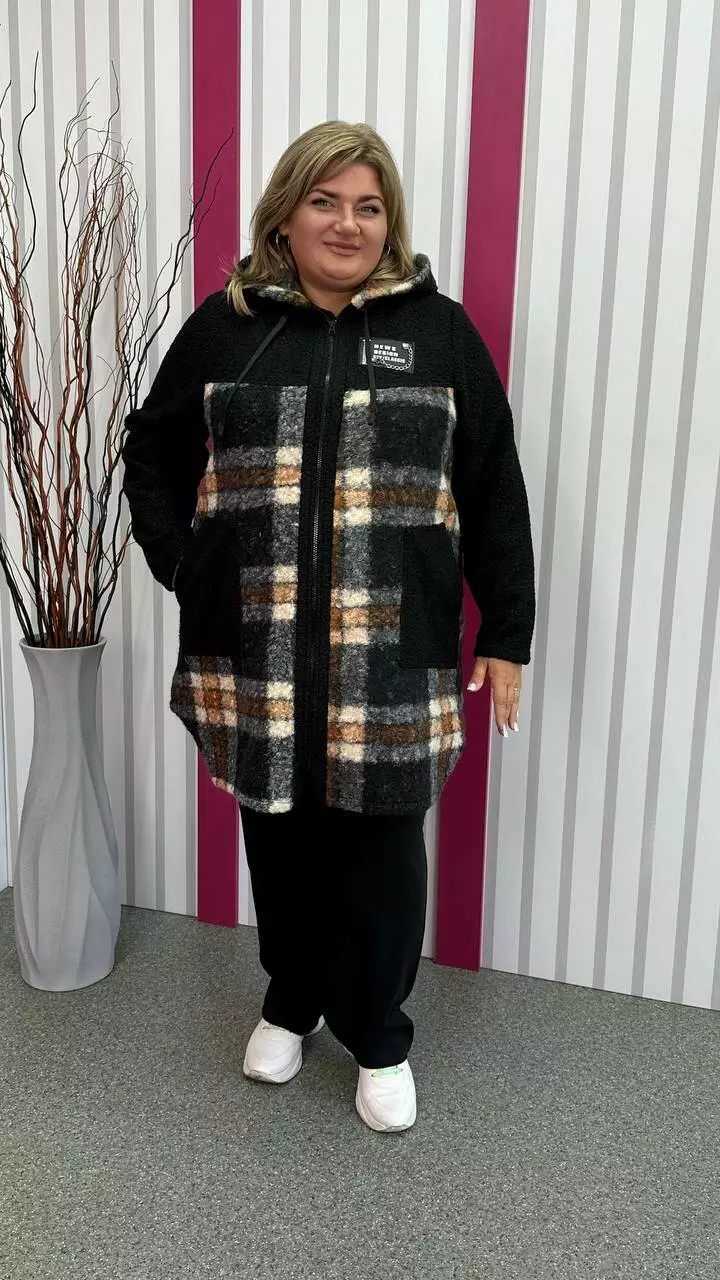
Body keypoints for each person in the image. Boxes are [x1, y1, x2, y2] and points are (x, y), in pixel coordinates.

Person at [121, 120, 535, 1134]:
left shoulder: (437, 332)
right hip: (255, 649)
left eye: (368, 206)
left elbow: (492, 483)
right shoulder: (228, 329)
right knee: (280, 840)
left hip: (392, 652)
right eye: (325, 201)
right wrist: (186, 564)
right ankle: (293, 998)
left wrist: (507, 631)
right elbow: (151, 450)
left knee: (383, 853)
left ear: (389, 222)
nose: (347, 224)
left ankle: (380, 1033)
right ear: (286, 214)